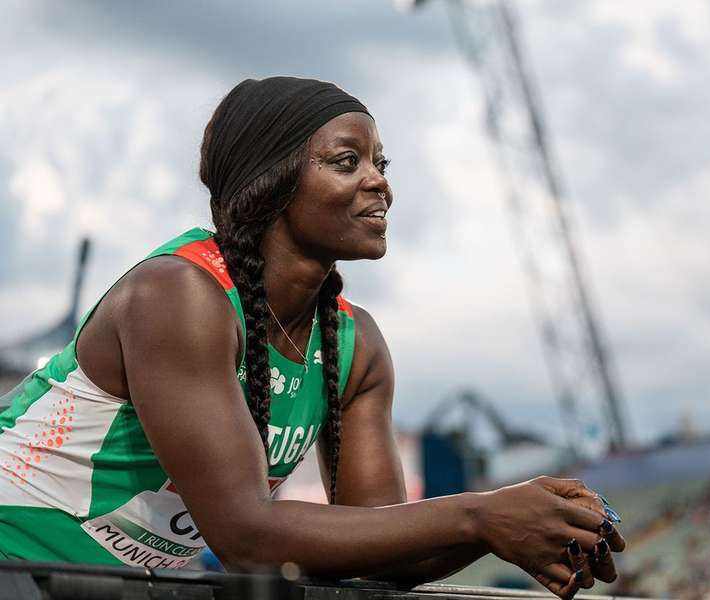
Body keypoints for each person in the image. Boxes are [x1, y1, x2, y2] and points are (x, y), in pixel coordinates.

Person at [0, 77, 623, 597]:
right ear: (270, 181)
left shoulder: (357, 345)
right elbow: (246, 537)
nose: (380, 182)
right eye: (347, 162)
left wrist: (511, 527)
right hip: (14, 551)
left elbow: (378, 551)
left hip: (105, 581)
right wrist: (479, 512)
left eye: (380, 163)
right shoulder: (179, 295)